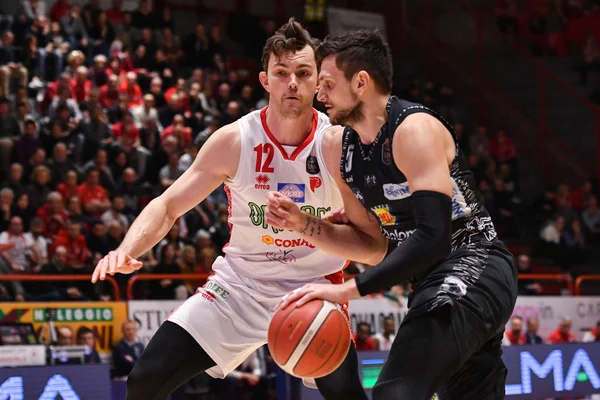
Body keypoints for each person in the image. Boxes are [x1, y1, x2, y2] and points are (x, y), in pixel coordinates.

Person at [91, 19, 369, 400]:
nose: (292, 82)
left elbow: (370, 237)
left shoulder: (336, 145)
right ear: (264, 80)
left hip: (315, 292)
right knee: (144, 381)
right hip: (240, 288)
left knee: (347, 395)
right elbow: (168, 204)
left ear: (319, 82)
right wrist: (127, 249)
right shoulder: (234, 141)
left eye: (304, 73)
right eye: (281, 72)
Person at [272, 29, 518, 399]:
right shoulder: (344, 150)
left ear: (360, 82)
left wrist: (347, 290)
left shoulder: (414, 130)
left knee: (396, 392)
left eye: (326, 84)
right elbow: (372, 246)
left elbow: (433, 238)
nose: (318, 95)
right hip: (430, 281)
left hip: (475, 262)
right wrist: (305, 224)